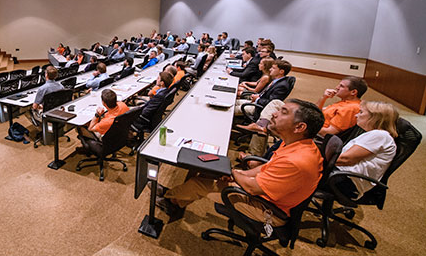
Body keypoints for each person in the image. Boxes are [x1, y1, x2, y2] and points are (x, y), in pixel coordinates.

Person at [157, 99, 324, 223]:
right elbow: (265, 168)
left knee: (198, 183)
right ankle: (175, 199)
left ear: (299, 127)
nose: (274, 114)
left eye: (284, 112)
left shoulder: (297, 161)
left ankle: (168, 198)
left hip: (270, 210)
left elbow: (252, 188)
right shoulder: (298, 145)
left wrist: (234, 173)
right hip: (266, 194)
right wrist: (240, 174)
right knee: (209, 173)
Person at [240, 76, 367, 137]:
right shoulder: (343, 102)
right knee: (276, 103)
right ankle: (261, 125)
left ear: (353, 92)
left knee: (273, 123)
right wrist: (324, 98)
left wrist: (297, 125)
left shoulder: (351, 108)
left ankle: (261, 130)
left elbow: (330, 132)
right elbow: (315, 111)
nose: (336, 88)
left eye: (341, 86)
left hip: (309, 129)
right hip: (308, 120)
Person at [334, 101, 398, 199]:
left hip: (345, 182)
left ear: (375, 117)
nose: (356, 115)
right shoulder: (375, 134)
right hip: (341, 176)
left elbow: (345, 159)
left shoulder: (380, 135)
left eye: (361, 112)